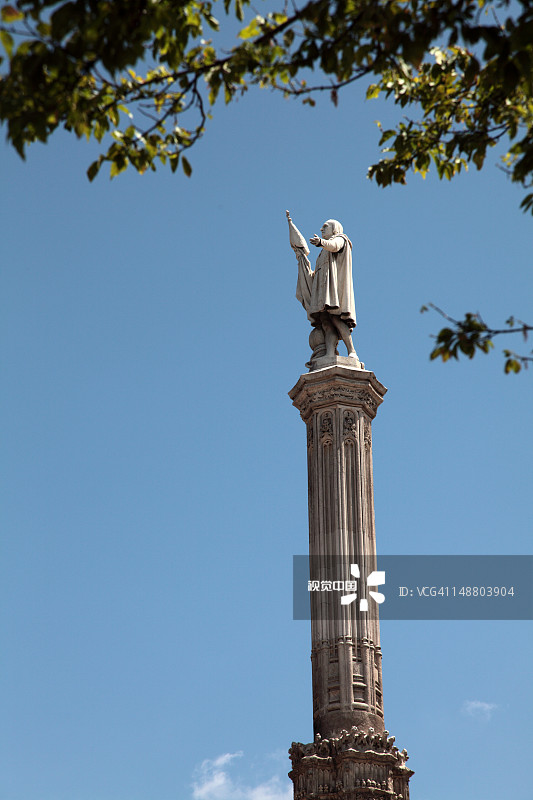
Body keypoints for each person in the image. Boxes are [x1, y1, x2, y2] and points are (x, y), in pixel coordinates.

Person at [287, 211, 357, 359]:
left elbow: (334, 246)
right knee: (326, 323)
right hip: (323, 293)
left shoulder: (340, 239)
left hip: (333, 292)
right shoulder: (322, 254)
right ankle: (330, 353)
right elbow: (318, 275)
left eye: (325, 226)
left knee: (337, 319)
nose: (321, 229)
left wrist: (321, 243)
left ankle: (352, 351)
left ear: (335, 229)